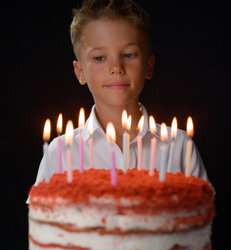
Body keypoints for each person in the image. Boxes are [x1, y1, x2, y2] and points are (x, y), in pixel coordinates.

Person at [34, 0, 207, 186]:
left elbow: (202, 212)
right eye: (99, 58)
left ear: (149, 66)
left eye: (129, 55)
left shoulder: (179, 147)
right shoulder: (61, 152)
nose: (116, 68)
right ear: (79, 72)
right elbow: (41, 214)